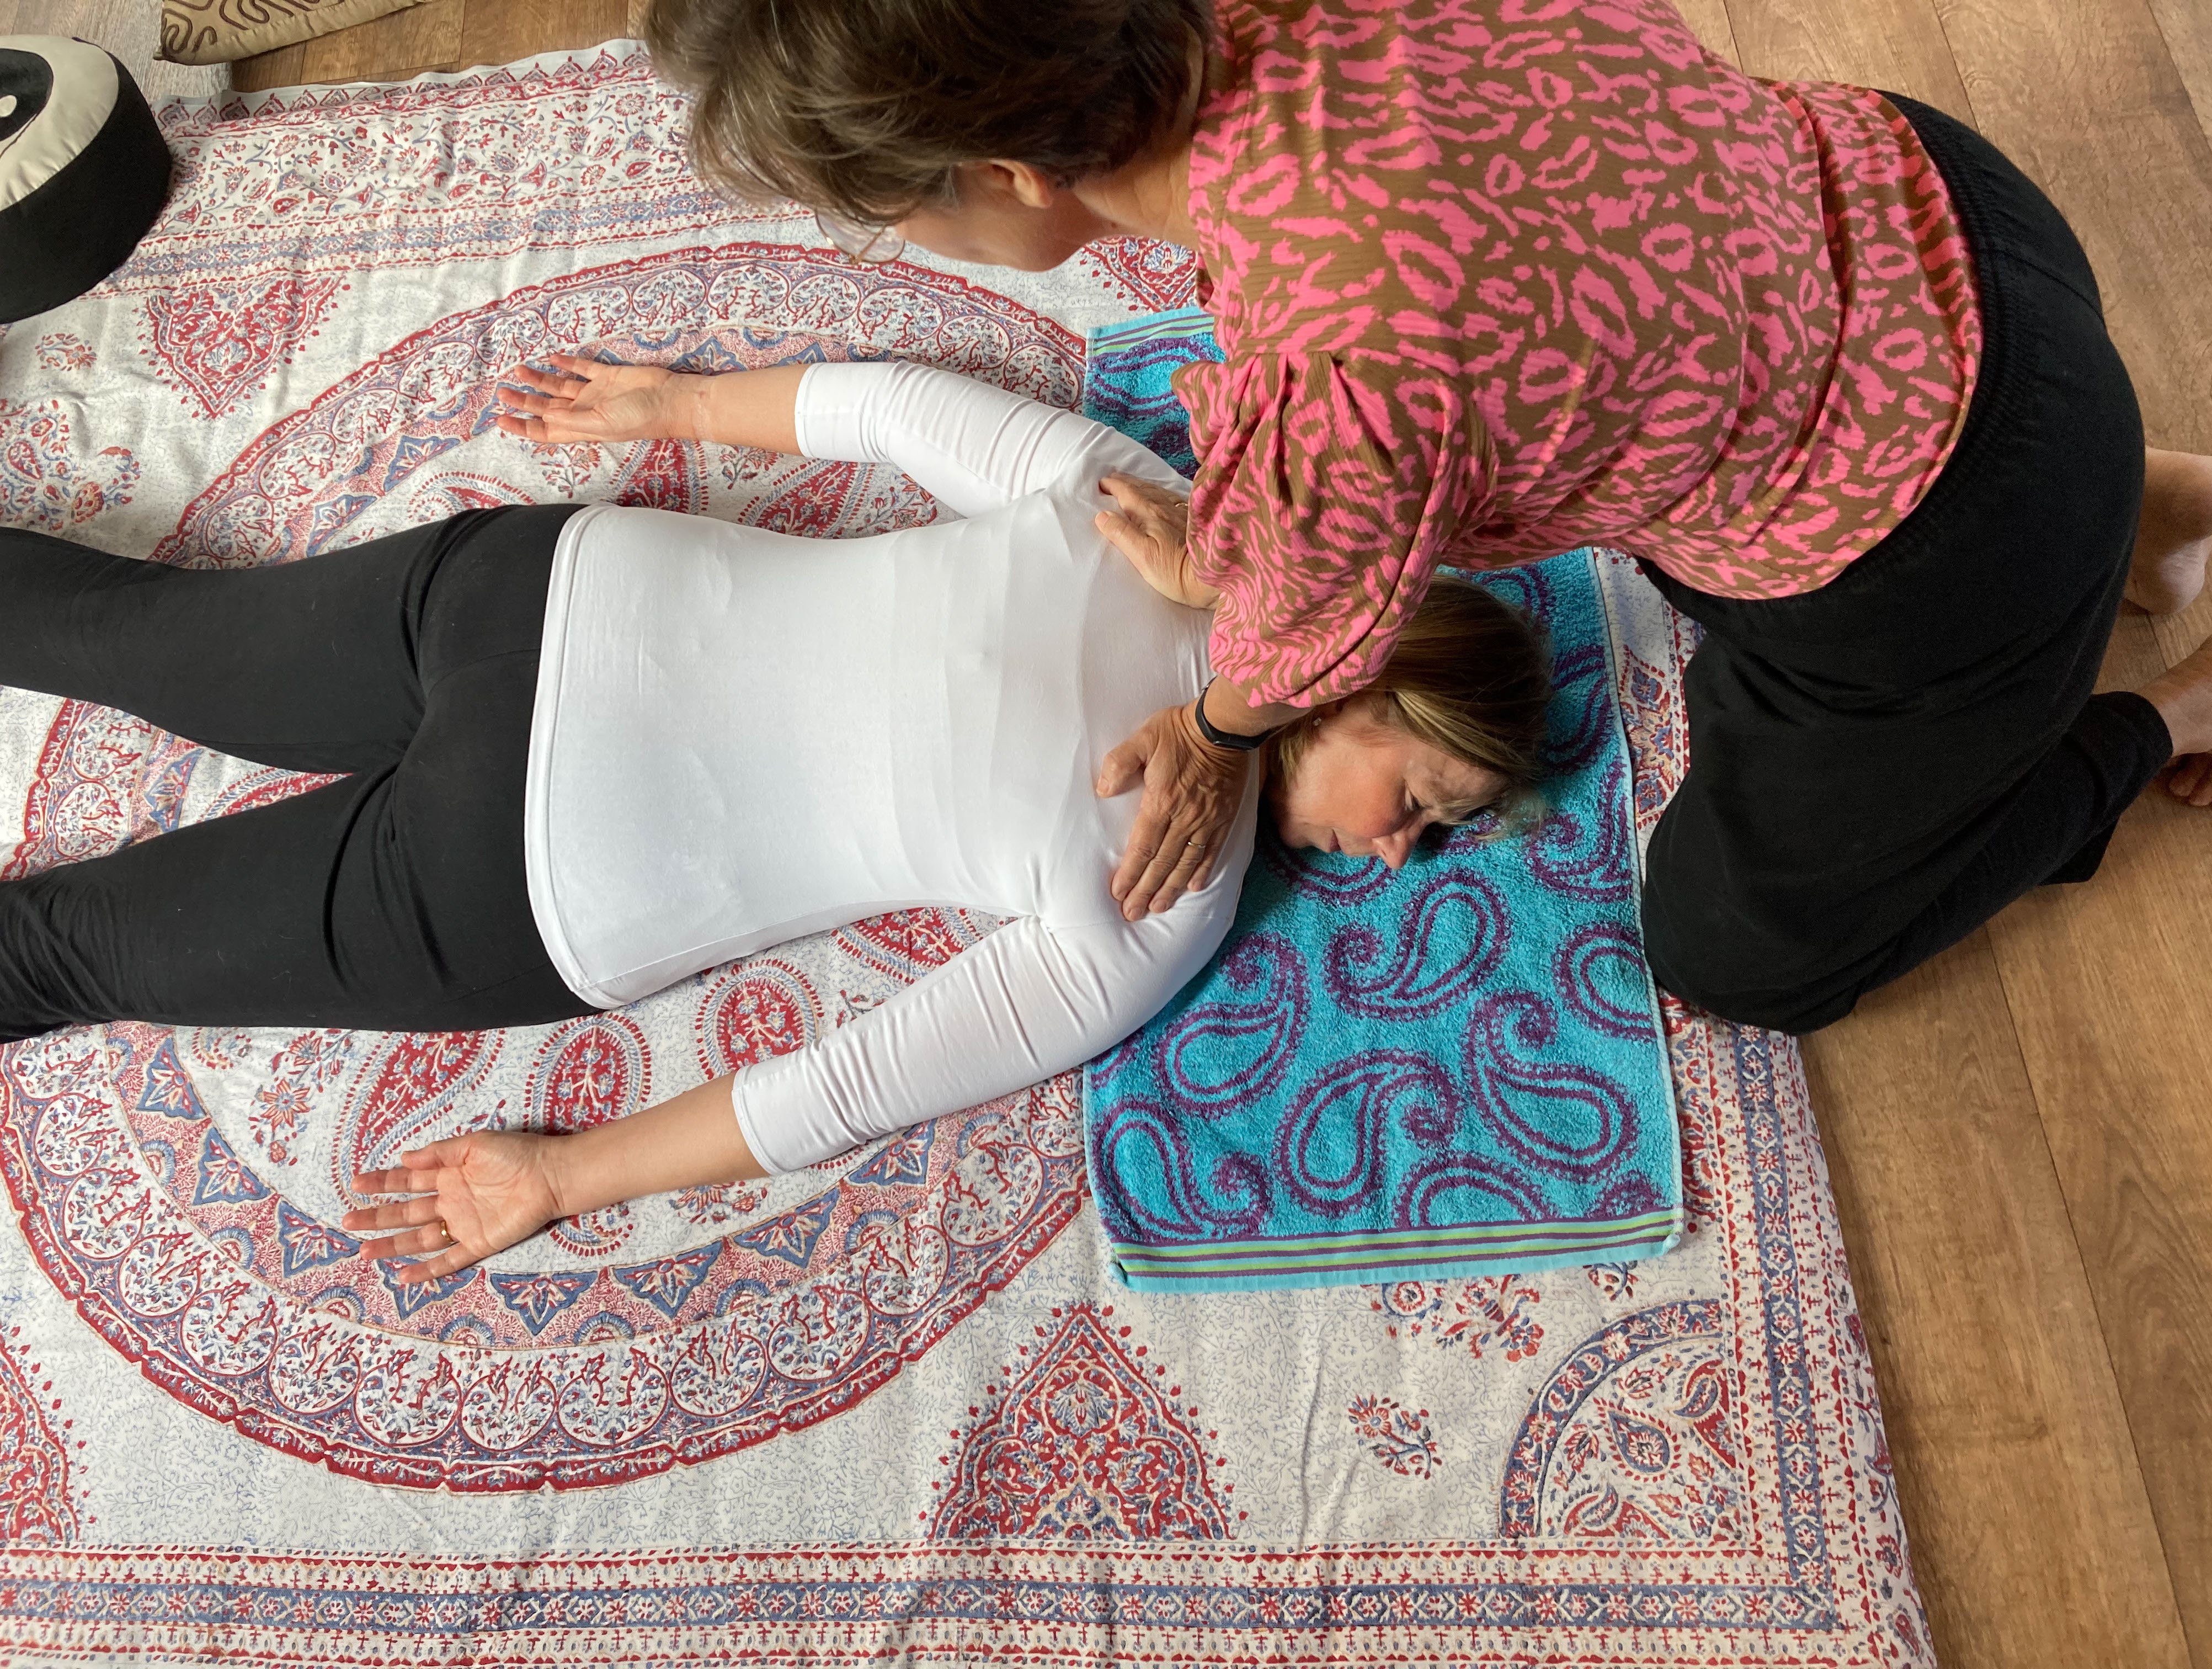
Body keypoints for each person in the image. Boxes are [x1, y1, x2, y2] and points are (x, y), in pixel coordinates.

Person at [641, 0, 2212, 1032]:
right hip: (1935, 206)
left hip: (1944, 525)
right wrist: (1242, 547)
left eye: (893, 215)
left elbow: (1301, 636)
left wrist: (1220, 727)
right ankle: (2149, 511)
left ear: (1006, 170)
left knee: (1745, 960)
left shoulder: (1339, 376)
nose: (906, 244)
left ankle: (2185, 698)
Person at [0, 359, 1552, 1280]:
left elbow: (891, 410)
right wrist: (562, 1181)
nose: (1391, 855)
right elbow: (843, 1087)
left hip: (541, 601)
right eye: (1421, 801)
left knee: (119, 634)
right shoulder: (1170, 892)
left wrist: (676, 405)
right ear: (1369, 679)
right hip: (526, 872)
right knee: (66, 950)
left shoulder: (1151, 510)